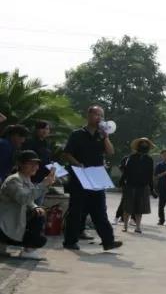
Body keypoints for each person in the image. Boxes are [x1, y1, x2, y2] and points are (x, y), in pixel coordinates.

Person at [61, 106, 122, 252]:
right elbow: (67, 154)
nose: (99, 118)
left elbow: (110, 152)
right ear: (88, 115)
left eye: (101, 115)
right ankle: (70, 241)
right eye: (96, 114)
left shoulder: (102, 135)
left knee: (100, 210)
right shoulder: (77, 134)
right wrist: (78, 164)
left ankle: (108, 241)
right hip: (80, 176)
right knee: (76, 210)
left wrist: (106, 137)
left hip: (97, 177)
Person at [0, 150, 55, 259]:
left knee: (39, 212)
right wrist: (43, 184)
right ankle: (27, 249)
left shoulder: (25, 178)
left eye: (36, 164)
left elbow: (29, 199)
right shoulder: (14, 180)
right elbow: (23, 198)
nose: (35, 167)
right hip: (4, 227)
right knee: (38, 238)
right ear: (20, 164)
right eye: (31, 164)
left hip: (13, 224)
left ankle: (5, 244)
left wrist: (35, 206)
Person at [120, 138, 155, 234]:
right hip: (130, 184)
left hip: (143, 186)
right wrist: (122, 181)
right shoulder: (131, 157)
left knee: (140, 208)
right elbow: (126, 171)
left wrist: (152, 189)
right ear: (138, 146)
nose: (144, 145)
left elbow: (150, 174)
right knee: (127, 207)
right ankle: (125, 226)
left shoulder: (149, 160)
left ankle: (138, 227)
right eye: (142, 144)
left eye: (146, 144)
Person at [23, 121, 52, 192]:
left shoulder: (47, 143)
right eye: (42, 128)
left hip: (44, 177)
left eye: (47, 129)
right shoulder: (30, 142)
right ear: (36, 129)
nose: (45, 131)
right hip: (32, 177)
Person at [154, 150, 166, 226]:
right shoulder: (159, 165)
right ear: (161, 156)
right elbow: (156, 176)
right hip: (162, 187)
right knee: (161, 205)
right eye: (164, 155)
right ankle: (161, 220)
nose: (165, 156)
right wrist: (165, 173)